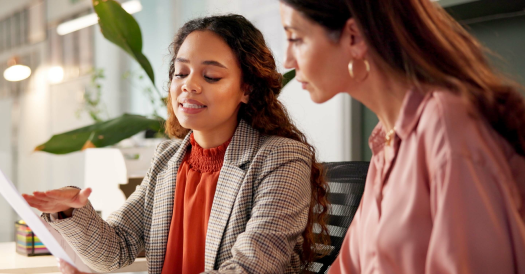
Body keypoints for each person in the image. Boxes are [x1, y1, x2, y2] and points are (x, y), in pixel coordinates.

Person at [23, 14, 329, 274]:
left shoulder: (281, 157)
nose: (188, 85)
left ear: (246, 89)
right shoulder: (168, 158)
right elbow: (116, 249)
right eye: (180, 72)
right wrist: (69, 210)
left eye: (210, 76)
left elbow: (252, 267)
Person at [278, 0, 525, 273]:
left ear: (354, 37)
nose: (288, 60)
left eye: (296, 38)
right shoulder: (386, 139)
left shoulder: (445, 126)